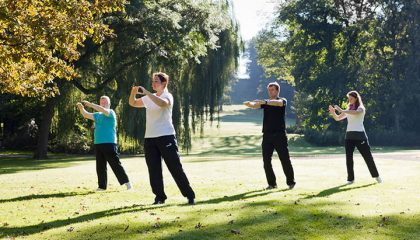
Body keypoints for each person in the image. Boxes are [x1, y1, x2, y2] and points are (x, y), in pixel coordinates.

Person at [128, 72, 195, 205]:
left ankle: (189, 195)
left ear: (164, 83)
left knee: (175, 168)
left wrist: (146, 92)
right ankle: (159, 197)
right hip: (150, 138)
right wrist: (133, 92)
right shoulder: (148, 98)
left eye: (156, 81)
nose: (153, 83)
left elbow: (162, 104)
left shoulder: (167, 95)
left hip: (166, 137)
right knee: (154, 170)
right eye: (153, 81)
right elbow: (133, 103)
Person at [243, 82, 296, 190]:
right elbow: (255, 105)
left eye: (272, 90)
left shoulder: (282, 101)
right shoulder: (266, 103)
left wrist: (265, 101)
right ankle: (272, 184)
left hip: (279, 135)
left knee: (284, 159)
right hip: (267, 135)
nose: (270, 91)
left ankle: (291, 182)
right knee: (266, 161)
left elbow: (278, 103)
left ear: (277, 91)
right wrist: (249, 104)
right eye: (269, 90)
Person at [76, 96, 132, 191]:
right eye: (102, 102)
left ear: (109, 104)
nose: (103, 104)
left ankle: (127, 184)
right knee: (100, 166)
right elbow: (86, 115)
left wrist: (90, 104)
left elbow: (102, 109)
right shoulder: (97, 114)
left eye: (105, 102)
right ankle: (102, 186)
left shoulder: (111, 113)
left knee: (115, 164)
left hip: (110, 143)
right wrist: (81, 108)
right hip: (98, 143)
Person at [329, 91, 382, 184]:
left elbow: (356, 113)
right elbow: (337, 118)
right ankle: (350, 179)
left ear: (356, 98)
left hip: (360, 136)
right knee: (348, 158)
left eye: (351, 98)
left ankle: (376, 176)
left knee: (368, 157)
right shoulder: (348, 108)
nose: (349, 100)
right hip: (349, 137)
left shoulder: (361, 108)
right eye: (348, 99)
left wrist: (342, 110)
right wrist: (333, 112)